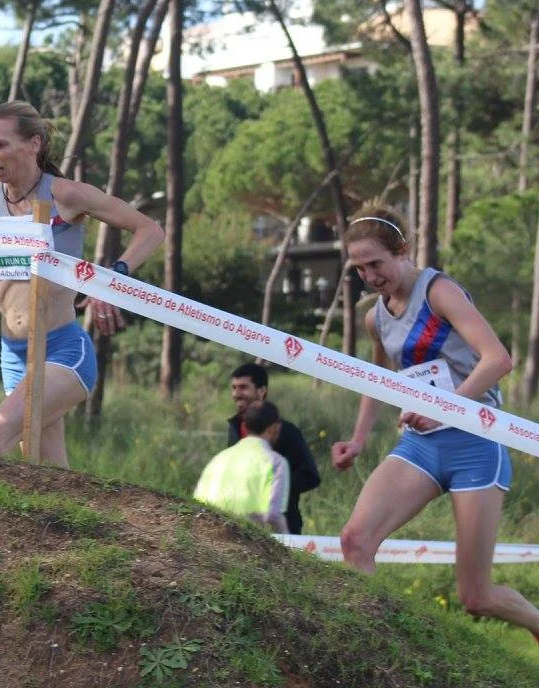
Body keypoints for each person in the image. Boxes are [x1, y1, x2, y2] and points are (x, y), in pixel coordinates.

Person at [330, 204, 539, 639]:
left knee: (476, 598)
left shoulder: (438, 291)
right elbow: (378, 380)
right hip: (420, 445)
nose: (369, 276)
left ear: (402, 250)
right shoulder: (375, 317)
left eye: (376, 264)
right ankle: (380, 646)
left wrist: (443, 408)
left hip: (476, 444)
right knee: (355, 540)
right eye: (360, 268)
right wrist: (358, 439)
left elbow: (499, 359)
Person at [0, 101, 164, 468]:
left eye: (0, 144)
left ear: (34, 144)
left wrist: (110, 280)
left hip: (63, 351)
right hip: (13, 354)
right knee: (48, 478)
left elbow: (150, 230)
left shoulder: (66, 195)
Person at [226, 362, 320, 534]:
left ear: (261, 391)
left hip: (282, 528)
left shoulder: (287, 431)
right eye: (234, 388)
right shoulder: (234, 428)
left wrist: (274, 488)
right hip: (241, 528)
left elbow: (311, 476)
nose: (237, 394)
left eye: (243, 387)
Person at [195, 400, 290, 532]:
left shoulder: (218, 459)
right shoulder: (276, 462)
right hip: (245, 539)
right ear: (275, 427)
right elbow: (273, 516)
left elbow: (196, 505)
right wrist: (288, 540)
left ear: (244, 427)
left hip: (206, 536)